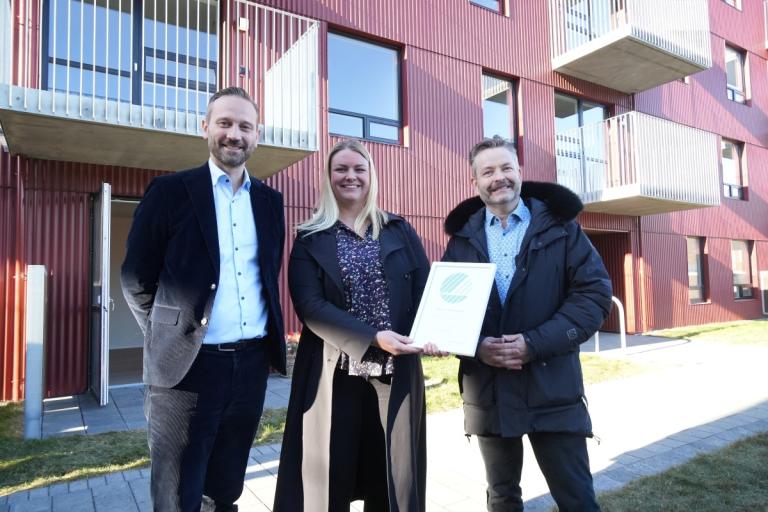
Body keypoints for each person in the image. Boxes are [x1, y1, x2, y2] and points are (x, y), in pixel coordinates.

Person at [121, 86, 286, 512]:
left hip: (250, 368)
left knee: (226, 489)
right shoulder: (170, 191)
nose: (234, 134)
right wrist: (171, 334)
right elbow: (135, 277)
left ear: (257, 134)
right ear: (205, 128)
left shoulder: (270, 202)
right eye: (225, 123)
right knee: (178, 496)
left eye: (245, 126)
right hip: (186, 370)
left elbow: (267, 276)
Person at [441, 136, 612, 512]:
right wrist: (478, 347)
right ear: (474, 181)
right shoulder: (462, 241)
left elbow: (593, 296)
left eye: (506, 168)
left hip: (552, 387)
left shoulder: (562, 229)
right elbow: (448, 312)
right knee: (502, 497)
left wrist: (534, 343)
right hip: (490, 391)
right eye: (488, 171)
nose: (498, 178)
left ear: (520, 172)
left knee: (577, 498)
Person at [273, 139, 435, 512]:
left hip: (395, 373)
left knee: (393, 479)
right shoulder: (310, 236)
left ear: (371, 175)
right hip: (334, 375)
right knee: (332, 479)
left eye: (359, 169)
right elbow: (310, 306)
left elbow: (426, 292)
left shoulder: (398, 229)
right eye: (341, 169)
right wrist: (373, 338)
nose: (351, 176)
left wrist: (433, 334)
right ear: (329, 177)